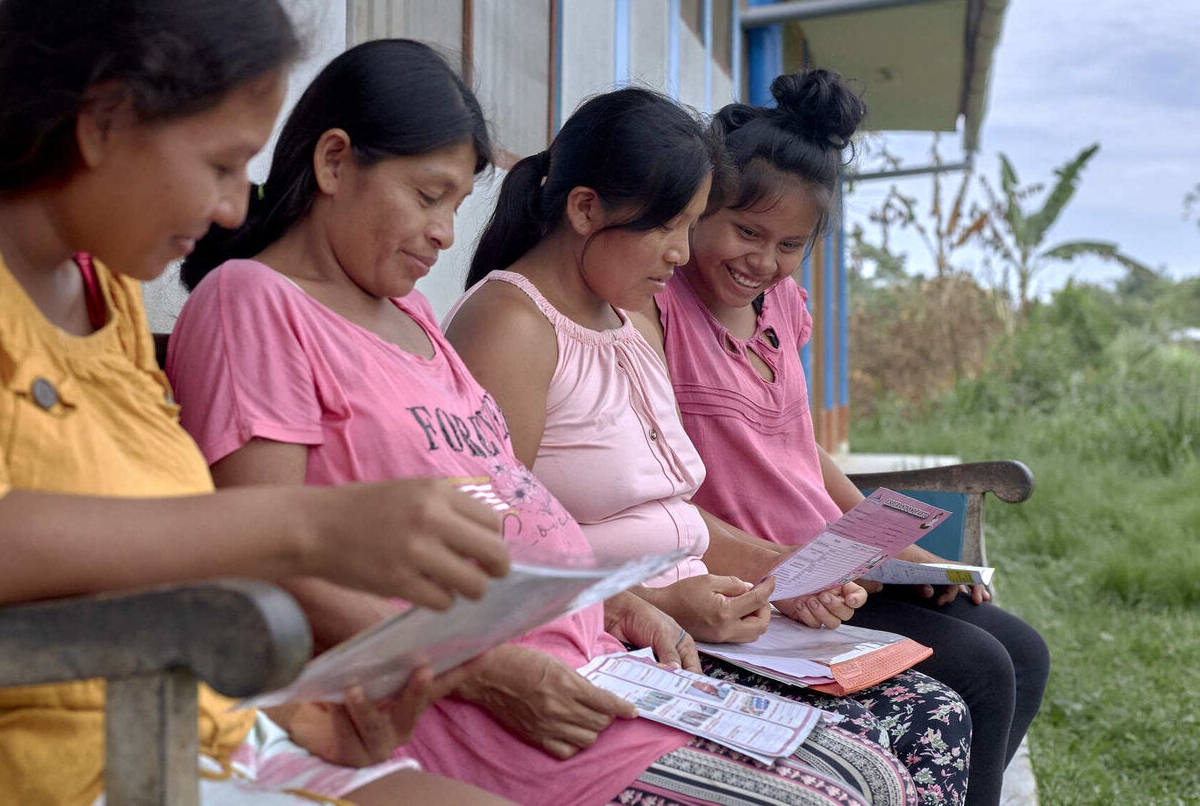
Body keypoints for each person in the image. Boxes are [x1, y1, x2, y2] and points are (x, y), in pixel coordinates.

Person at [0, 0, 517, 806]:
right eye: (219, 164)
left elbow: (123, 566)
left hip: (171, 735)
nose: (232, 209)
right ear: (105, 118)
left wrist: (290, 713)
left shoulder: (103, 288)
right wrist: (316, 527)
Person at [169, 39, 920, 806]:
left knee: (877, 776)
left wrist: (623, 605)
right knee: (839, 798)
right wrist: (486, 671)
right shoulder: (255, 304)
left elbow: (511, 502)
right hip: (470, 699)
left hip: (593, 658)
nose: (443, 233)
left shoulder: (415, 322)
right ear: (334, 165)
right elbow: (265, 560)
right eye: (428, 197)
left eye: (456, 207)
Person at [444, 87, 972, 806]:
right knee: (880, 759)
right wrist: (652, 602)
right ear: (585, 210)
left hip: (703, 616)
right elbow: (494, 546)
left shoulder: (625, 316)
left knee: (936, 716)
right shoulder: (510, 324)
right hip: (623, 638)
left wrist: (781, 580)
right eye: (672, 226)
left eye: (691, 225)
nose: (681, 253)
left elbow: (676, 516)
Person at [646, 68, 1050, 806]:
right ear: (699, 208)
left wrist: (899, 551)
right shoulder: (660, 309)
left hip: (837, 569)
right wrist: (801, 567)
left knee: (1022, 649)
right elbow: (651, 490)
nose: (762, 262)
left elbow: (800, 450)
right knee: (981, 669)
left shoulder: (783, 306)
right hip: (764, 583)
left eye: (790, 244)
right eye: (745, 231)